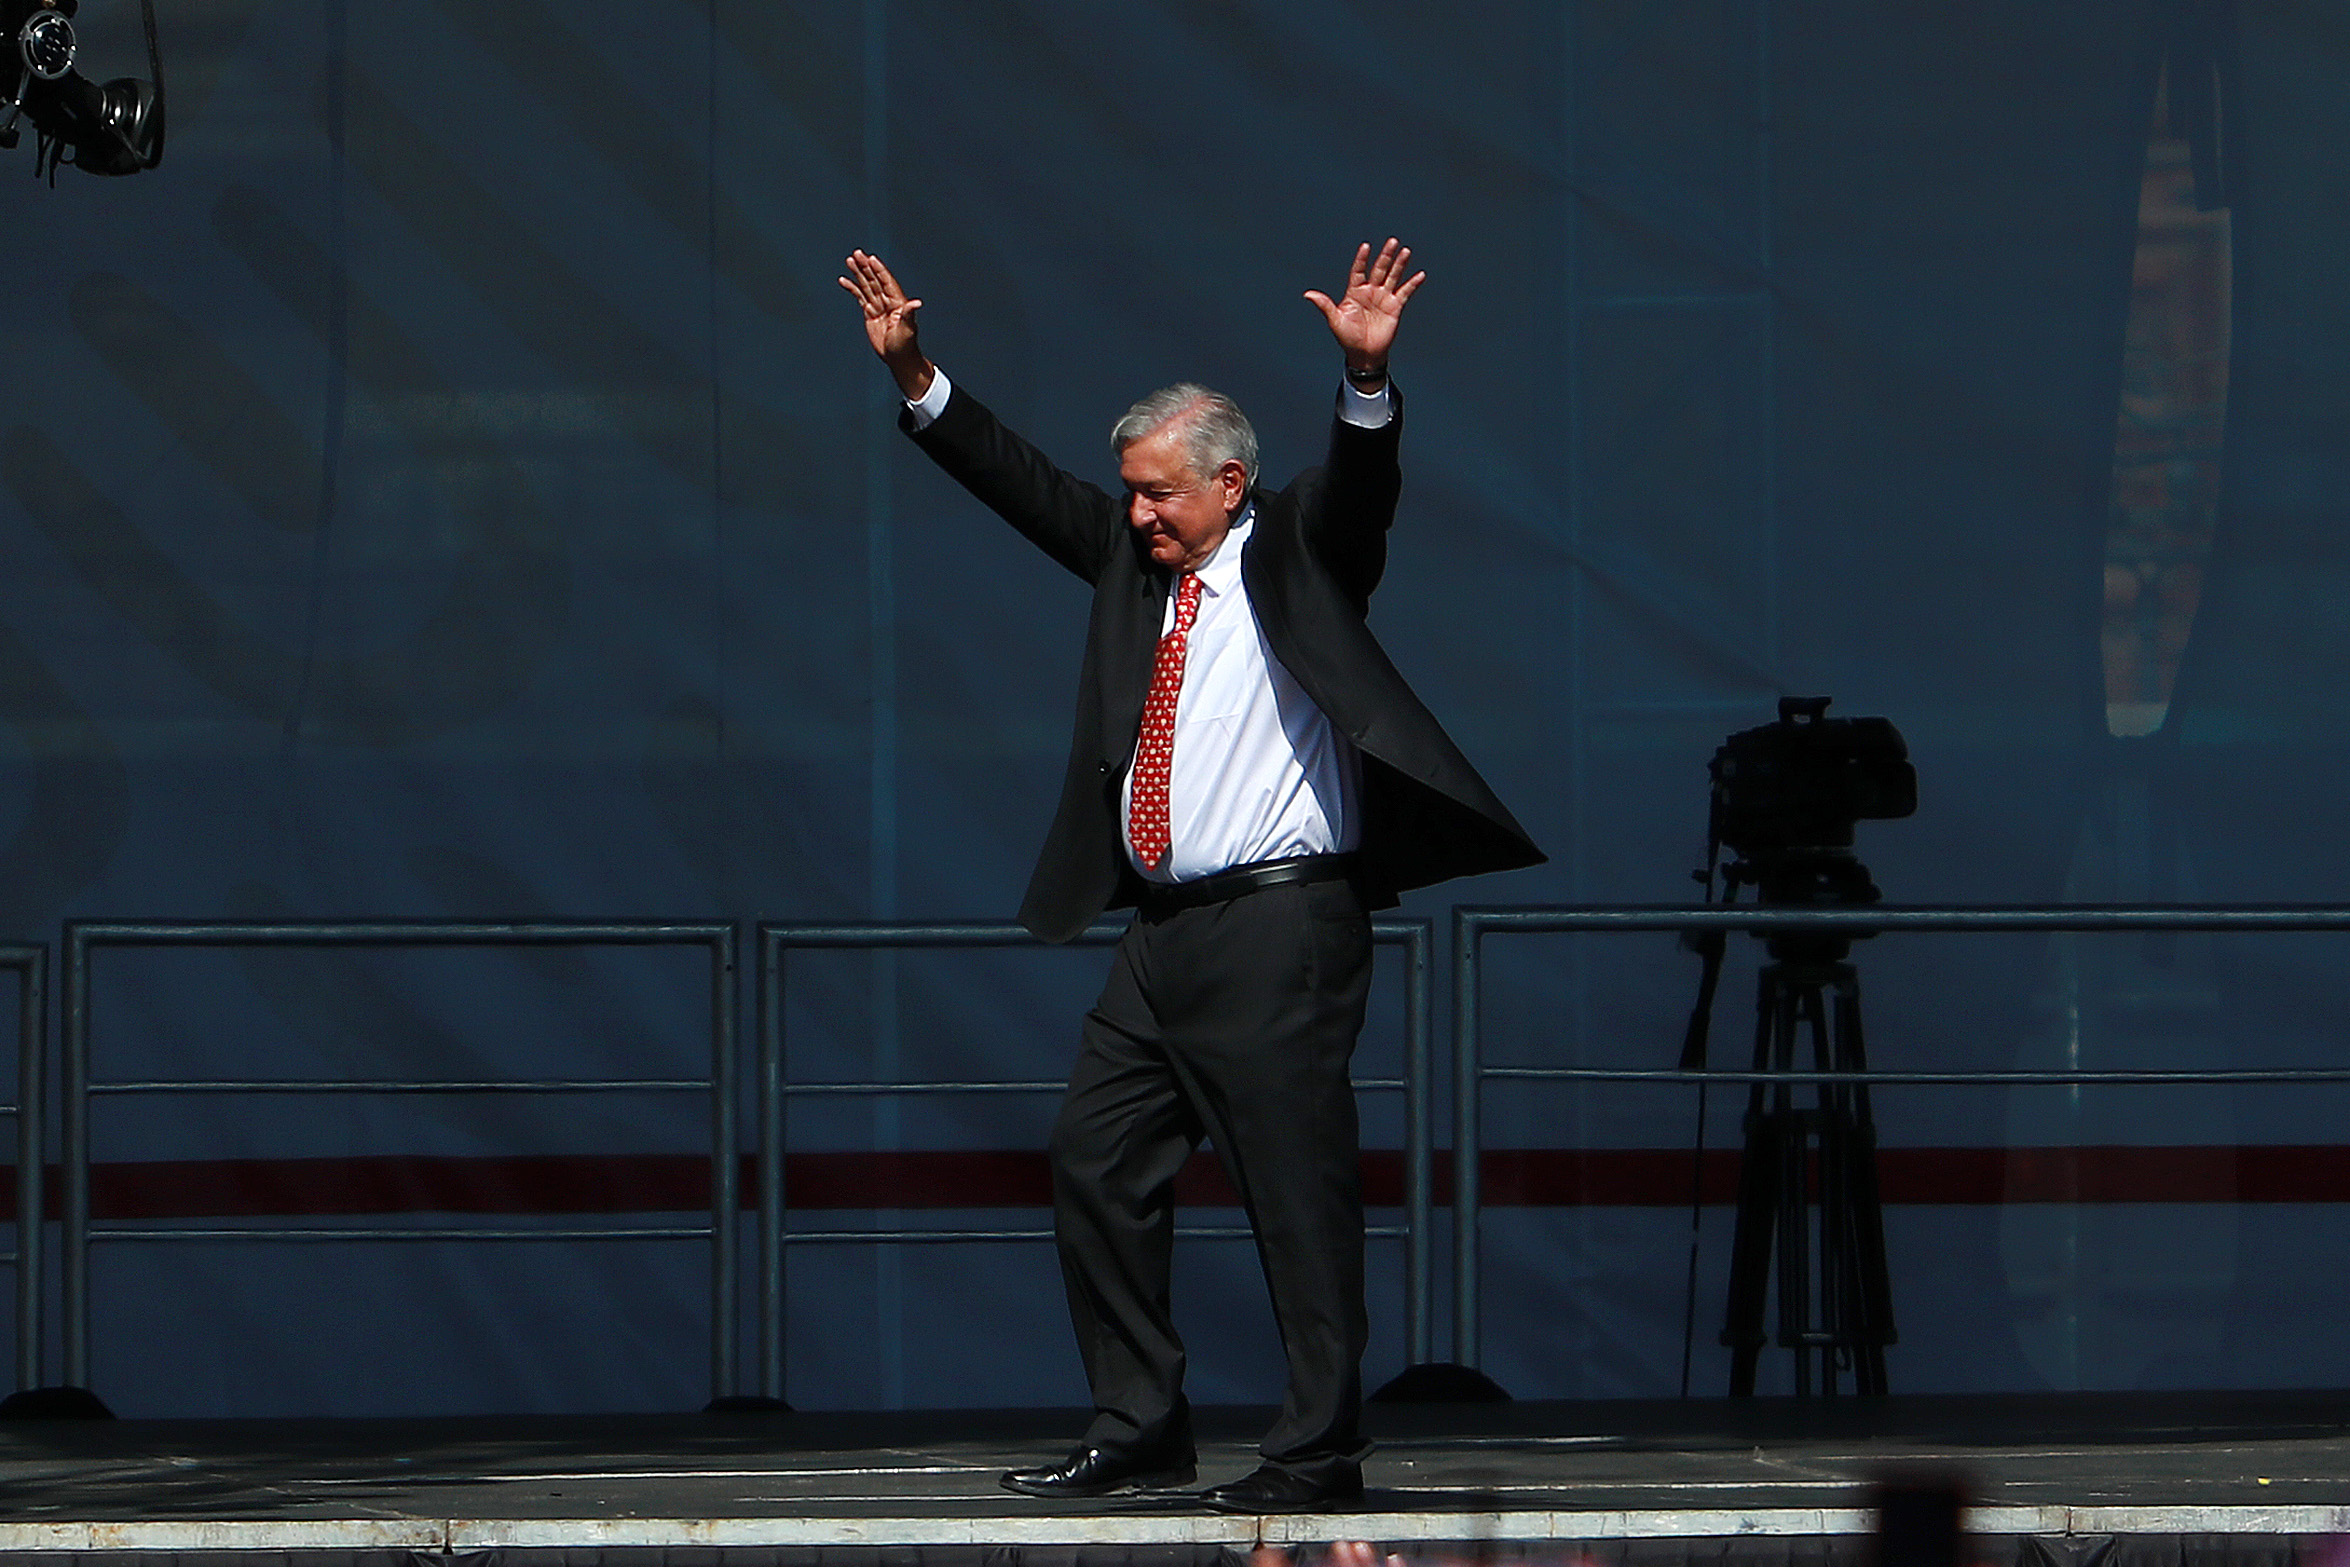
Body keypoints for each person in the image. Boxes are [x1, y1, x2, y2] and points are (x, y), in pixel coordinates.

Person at [838, 240, 1542, 1513]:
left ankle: (1314, 1452)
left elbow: (1363, 490)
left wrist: (1364, 381)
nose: (1138, 515)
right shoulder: (1133, 567)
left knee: (1292, 1189)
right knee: (1094, 1158)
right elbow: (1021, 483)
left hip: (1281, 924)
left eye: (1159, 494)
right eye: (1130, 495)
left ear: (1228, 482)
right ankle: (1139, 1425)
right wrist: (917, 373)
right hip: (1162, 935)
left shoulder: (1299, 549)